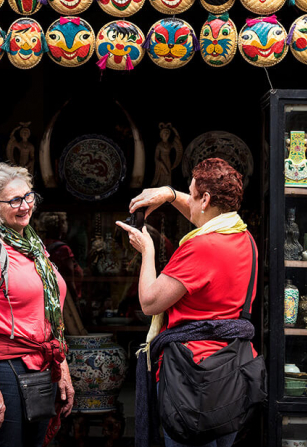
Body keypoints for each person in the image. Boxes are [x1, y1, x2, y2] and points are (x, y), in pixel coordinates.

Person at [117, 157, 258, 447]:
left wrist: (147, 251)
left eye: (191, 193)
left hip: (192, 379)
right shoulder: (243, 237)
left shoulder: (200, 248)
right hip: (232, 372)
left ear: (205, 198)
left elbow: (149, 302)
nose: (189, 203)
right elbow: (201, 215)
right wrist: (169, 195)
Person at [0, 163, 75, 447]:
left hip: (42, 365)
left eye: (28, 196)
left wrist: (63, 370)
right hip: (6, 370)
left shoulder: (34, 246)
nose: (25, 206)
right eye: (14, 201)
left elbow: (49, 317)